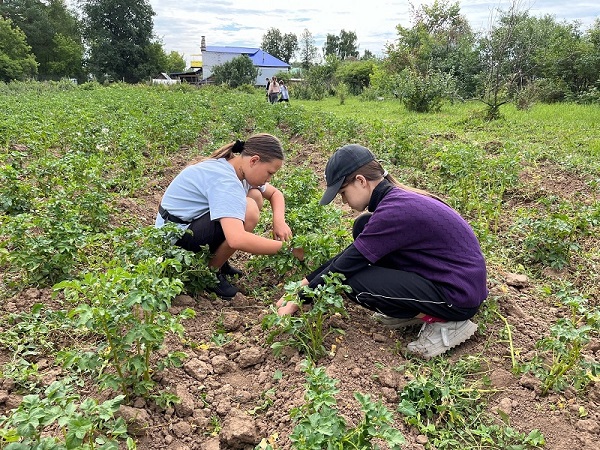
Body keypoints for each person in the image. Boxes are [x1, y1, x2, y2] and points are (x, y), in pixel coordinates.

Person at [277, 144, 488, 358]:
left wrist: (299, 299)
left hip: (458, 297)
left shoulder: (394, 212)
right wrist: (305, 283)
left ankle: (446, 322)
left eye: (343, 193)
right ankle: (416, 308)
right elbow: (351, 254)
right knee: (362, 226)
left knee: (352, 282)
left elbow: (345, 266)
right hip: (453, 279)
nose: (343, 201)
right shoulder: (396, 201)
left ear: (361, 181)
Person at [156, 133, 304, 300]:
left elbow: (275, 194)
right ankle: (210, 274)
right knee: (249, 210)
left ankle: (219, 258)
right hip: (174, 240)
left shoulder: (237, 168)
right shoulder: (226, 181)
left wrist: (279, 221)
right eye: (269, 173)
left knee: (254, 195)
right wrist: (289, 249)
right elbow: (237, 239)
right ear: (254, 161)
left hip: (183, 227)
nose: (269, 179)